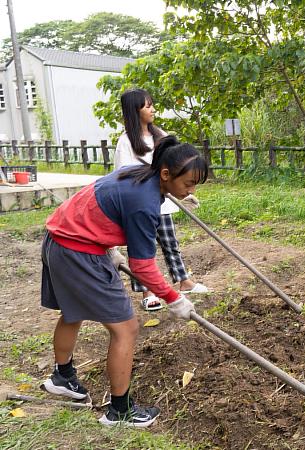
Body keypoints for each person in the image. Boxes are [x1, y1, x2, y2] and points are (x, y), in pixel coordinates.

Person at [40, 136, 208, 427]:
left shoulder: (138, 172)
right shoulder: (144, 203)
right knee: (127, 328)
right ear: (166, 174)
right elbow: (142, 267)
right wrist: (173, 298)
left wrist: (108, 246)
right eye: (188, 184)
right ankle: (120, 411)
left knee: (73, 310)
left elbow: (100, 202)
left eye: (195, 185)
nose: (191, 190)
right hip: (78, 251)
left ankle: (62, 376)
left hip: (60, 239)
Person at [113, 88, 208, 311]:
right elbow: (124, 173)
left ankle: (183, 280)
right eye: (147, 106)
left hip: (163, 204)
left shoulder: (160, 135)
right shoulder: (126, 141)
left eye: (152, 104)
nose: (153, 109)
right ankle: (148, 291)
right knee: (142, 248)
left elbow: (178, 168)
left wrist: (186, 192)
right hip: (139, 205)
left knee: (170, 244)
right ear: (133, 111)